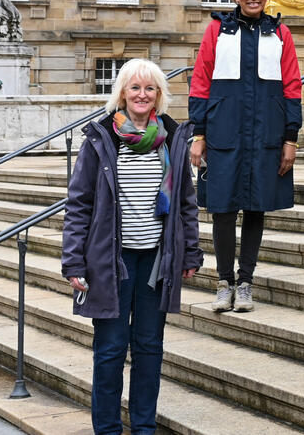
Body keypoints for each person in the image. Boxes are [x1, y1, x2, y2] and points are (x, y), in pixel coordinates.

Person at [62, 59, 202, 435]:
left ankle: (143, 427)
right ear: (122, 93)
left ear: (159, 95)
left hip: (156, 260)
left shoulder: (171, 138)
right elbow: (79, 203)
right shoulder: (101, 138)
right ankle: (107, 429)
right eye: (135, 88)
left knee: (148, 348)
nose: (142, 95)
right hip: (112, 260)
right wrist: (73, 261)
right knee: (109, 349)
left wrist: (190, 250)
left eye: (150, 88)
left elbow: (186, 201)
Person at [188, 0, 303, 313]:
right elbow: (201, 81)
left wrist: (291, 139)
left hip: (266, 134)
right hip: (225, 133)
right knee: (222, 209)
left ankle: (246, 282)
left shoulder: (280, 33)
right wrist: (198, 133)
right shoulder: (216, 30)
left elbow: (292, 87)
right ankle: (224, 282)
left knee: (256, 208)